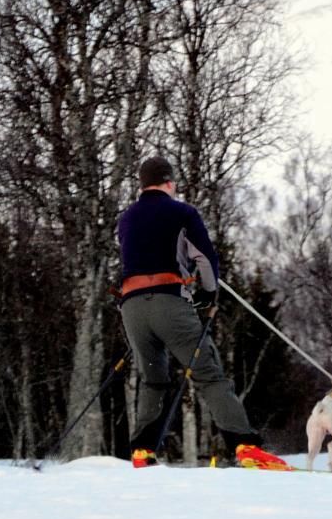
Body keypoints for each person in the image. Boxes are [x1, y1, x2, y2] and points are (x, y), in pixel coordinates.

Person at [118, 156, 276, 468]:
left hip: (132, 308)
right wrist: (208, 293)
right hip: (169, 304)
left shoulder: (125, 219)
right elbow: (205, 257)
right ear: (169, 182)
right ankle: (245, 445)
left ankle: (142, 451)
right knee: (208, 373)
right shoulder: (182, 212)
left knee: (152, 379)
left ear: (142, 184)